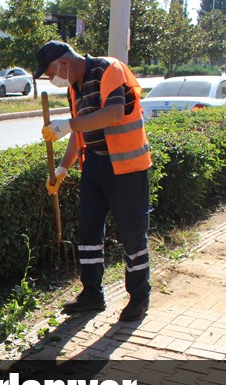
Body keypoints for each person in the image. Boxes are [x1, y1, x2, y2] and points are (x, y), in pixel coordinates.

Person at [36, 41, 152, 322]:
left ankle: (139, 298)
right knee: (88, 232)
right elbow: (80, 131)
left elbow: (113, 114)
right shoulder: (74, 87)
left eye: (50, 73)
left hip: (126, 168)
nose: (52, 80)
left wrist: (67, 125)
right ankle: (92, 294)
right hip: (95, 166)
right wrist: (62, 168)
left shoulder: (109, 70)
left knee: (132, 234)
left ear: (64, 63)